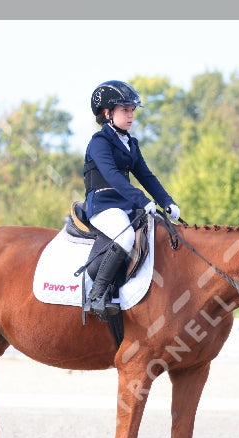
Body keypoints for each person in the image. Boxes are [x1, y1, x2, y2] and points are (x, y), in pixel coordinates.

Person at [82, 80, 181, 320]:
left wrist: (166, 201)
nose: (130, 116)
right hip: (102, 204)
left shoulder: (131, 143)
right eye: (124, 110)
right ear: (107, 113)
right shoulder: (100, 142)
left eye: (132, 111)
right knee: (125, 236)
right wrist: (141, 199)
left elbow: (146, 176)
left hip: (124, 203)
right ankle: (96, 295)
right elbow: (113, 177)